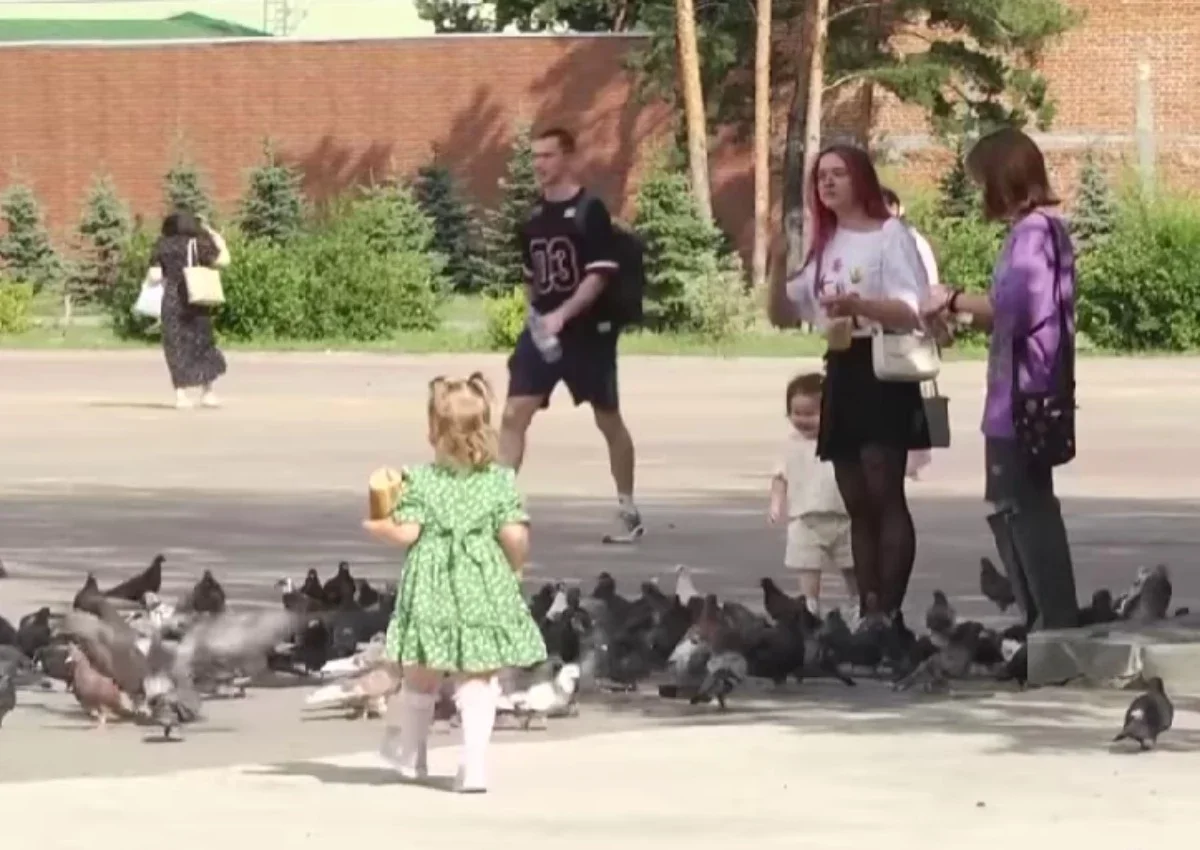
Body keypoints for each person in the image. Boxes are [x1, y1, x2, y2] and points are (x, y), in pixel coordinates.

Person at [767, 144, 933, 621]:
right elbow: (784, 314)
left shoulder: (889, 235)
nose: (827, 182)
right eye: (821, 175)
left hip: (882, 367)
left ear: (860, 179)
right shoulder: (827, 243)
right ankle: (869, 607)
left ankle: (890, 613)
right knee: (856, 501)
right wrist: (778, 264)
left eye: (838, 173)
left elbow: (912, 308)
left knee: (885, 495)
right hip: (841, 368)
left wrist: (860, 305)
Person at [923, 127, 1080, 631]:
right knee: (1026, 502)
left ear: (1001, 179)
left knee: (1020, 507)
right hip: (1038, 388)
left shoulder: (1031, 235)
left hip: (1020, 395)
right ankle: (1046, 618)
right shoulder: (1048, 230)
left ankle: (1048, 621)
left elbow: (1012, 308)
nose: (978, 193)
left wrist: (949, 299)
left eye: (981, 182)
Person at [364, 373, 547, 793]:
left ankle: (413, 757)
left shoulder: (419, 480)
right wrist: (515, 567)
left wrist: (380, 526)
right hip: (482, 587)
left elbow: (408, 533)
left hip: (431, 590)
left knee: (421, 674)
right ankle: (475, 766)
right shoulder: (499, 481)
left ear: (434, 431)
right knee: (478, 678)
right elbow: (515, 535)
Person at [498, 127, 644, 545]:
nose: (539, 164)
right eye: (535, 156)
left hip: (588, 334)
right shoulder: (531, 217)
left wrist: (563, 315)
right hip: (543, 331)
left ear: (568, 158)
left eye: (547, 156)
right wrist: (536, 317)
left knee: (608, 419)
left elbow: (599, 275)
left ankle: (627, 509)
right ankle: (499, 505)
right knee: (513, 414)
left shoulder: (589, 211)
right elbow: (531, 277)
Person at [768, 372, 858, 619]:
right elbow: (780, 477)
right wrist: (776, 504)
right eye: (796, 413)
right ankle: (810, 604)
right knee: (807, 565)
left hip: (844, 517)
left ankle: (857, 602)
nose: (803, 420)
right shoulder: (790, 444)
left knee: (853, 564)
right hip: (805, 519)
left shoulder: (842, 440)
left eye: (811, 413)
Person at [882, 186, 940, 481]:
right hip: (884, 333)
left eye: (887, 206)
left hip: (912, 327)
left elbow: (928, 280)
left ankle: (915, 455)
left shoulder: (912, 240)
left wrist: (928, 316)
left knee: (916, 390)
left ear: (897, 208)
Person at [151, 210, 230, 409]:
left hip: (171, 300)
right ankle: (208, 392)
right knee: (202, 344)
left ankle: (181, 396)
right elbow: (223, 261)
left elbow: (154, 276)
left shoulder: (162, 245)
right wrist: (218, 240)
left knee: (176, 347)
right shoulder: (198, 242)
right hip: (196, 299)